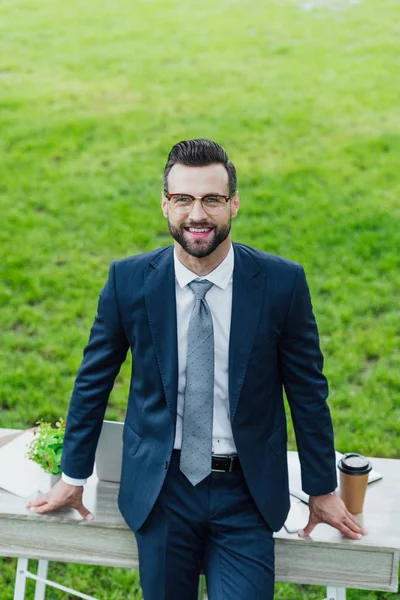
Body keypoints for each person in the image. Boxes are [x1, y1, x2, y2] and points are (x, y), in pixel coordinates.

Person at [27, 138, 366, 599]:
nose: (197, 214)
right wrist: (72, 477)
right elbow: (93, 382)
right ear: (165, 205)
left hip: (246, 493)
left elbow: (307, 391)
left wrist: (322, 488)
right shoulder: (128, 281)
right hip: (162, 490)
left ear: (234, 204)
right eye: (183, 199)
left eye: (212, 199)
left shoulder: (282, 284)